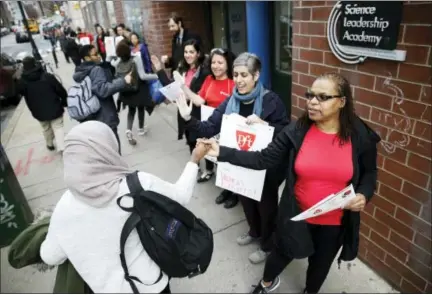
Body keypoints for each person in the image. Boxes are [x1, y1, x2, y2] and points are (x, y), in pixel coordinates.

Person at [199, 72, 381, 293]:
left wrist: (363, 194)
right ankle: (267, 283)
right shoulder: (297, 131)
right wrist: (223, 152)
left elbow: (370, 173)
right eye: (310, 95)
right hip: (297, 213)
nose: (312, 102)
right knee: (281, 254)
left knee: (320, 265)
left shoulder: (360, 136)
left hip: (335, 221)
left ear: (342, 102)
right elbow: (262, 158)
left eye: (323, 97)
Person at [39, 120, 210, 294]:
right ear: (109, 150)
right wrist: (195, 159)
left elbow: (50, 256)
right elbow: (180, 196)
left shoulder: (64, 208)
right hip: (151, 286)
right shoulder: (137, 184)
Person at [176, 52, 289, 264]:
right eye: (236, 74)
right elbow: (209, 127)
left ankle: (267, 245)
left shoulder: (271, 101)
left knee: (267, 209)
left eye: (244, 75)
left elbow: (286, 132)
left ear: (256, 75)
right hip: (238, 164)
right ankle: (254, 232)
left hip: (265, 169)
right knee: (247, 202)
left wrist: (267, 126)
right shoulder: (230, 102)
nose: (238, 80)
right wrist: (187, 118)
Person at [181, 48, 238, 208]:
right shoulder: (208, 80)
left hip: (230, 128)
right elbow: (199, 100)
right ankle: (227, 189)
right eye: (213, 62)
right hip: (212, 127)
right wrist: (183, 88)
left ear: (228, 65)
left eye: (220, 62)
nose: (216, 66)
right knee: (218, 160)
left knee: (230, 161)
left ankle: (235, 193)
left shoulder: (234, 84)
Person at [151, 39, 209, 152]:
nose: (188, 55)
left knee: (204, 143)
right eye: (186, 52)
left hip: (198, 113)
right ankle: (195, 167)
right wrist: (158, 68)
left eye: (191, 52)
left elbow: (203, 96)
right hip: (184, 111)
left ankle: (209, 168)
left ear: (198, 53)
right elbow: (170, 86)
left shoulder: (204, 72)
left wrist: (187, 95)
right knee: (191, 142)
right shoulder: (183, 69)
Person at [73, 44, 132, 154]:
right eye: (95, 54)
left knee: (103, 150)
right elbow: (102, 90)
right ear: (86, 58)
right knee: (114, 150)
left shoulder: (80, 71)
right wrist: (123, 81)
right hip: (105, 115)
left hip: (91, 116)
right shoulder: (96, 70)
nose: (99, 56)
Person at [18, 56, 67, 153]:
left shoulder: (23, 81)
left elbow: (21, 92)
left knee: (46, 128)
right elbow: (60, 89)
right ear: (35, 64)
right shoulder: (47, 76)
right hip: (54, 107)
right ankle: (62, 148)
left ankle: (50, 144)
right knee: (58, 127)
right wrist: (64, 100)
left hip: (37, 110)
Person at [114, 40, 158, 145]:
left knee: (131, 110)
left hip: (126, 91)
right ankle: (141, 129)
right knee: (141, 108)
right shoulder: (136, 59)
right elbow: (143, 76)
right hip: (138, 89)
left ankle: (128, 129)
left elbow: (109, 61)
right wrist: (157, 75)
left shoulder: (117, 63)